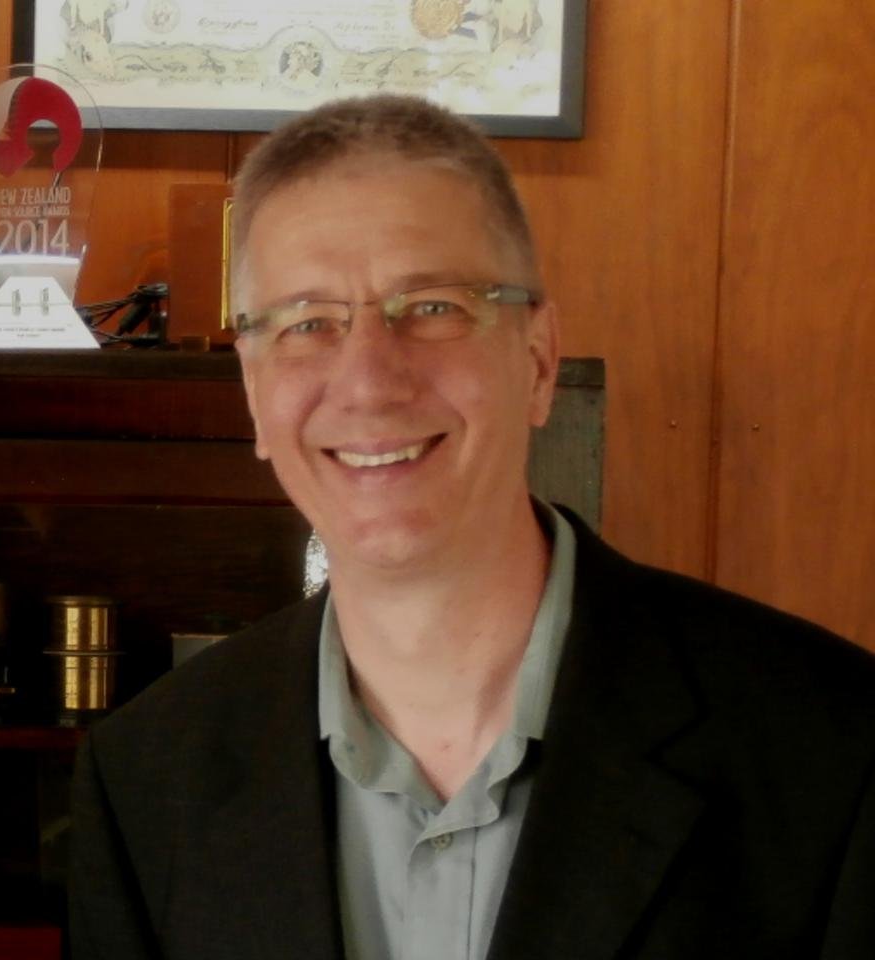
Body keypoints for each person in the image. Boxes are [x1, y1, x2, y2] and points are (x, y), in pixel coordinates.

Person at [68, 95, 875, 960]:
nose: (369, 381)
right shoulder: (147, 779)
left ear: (538, 361)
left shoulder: (838, 751)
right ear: (255, 395)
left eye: (433, 307)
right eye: (308, 324)